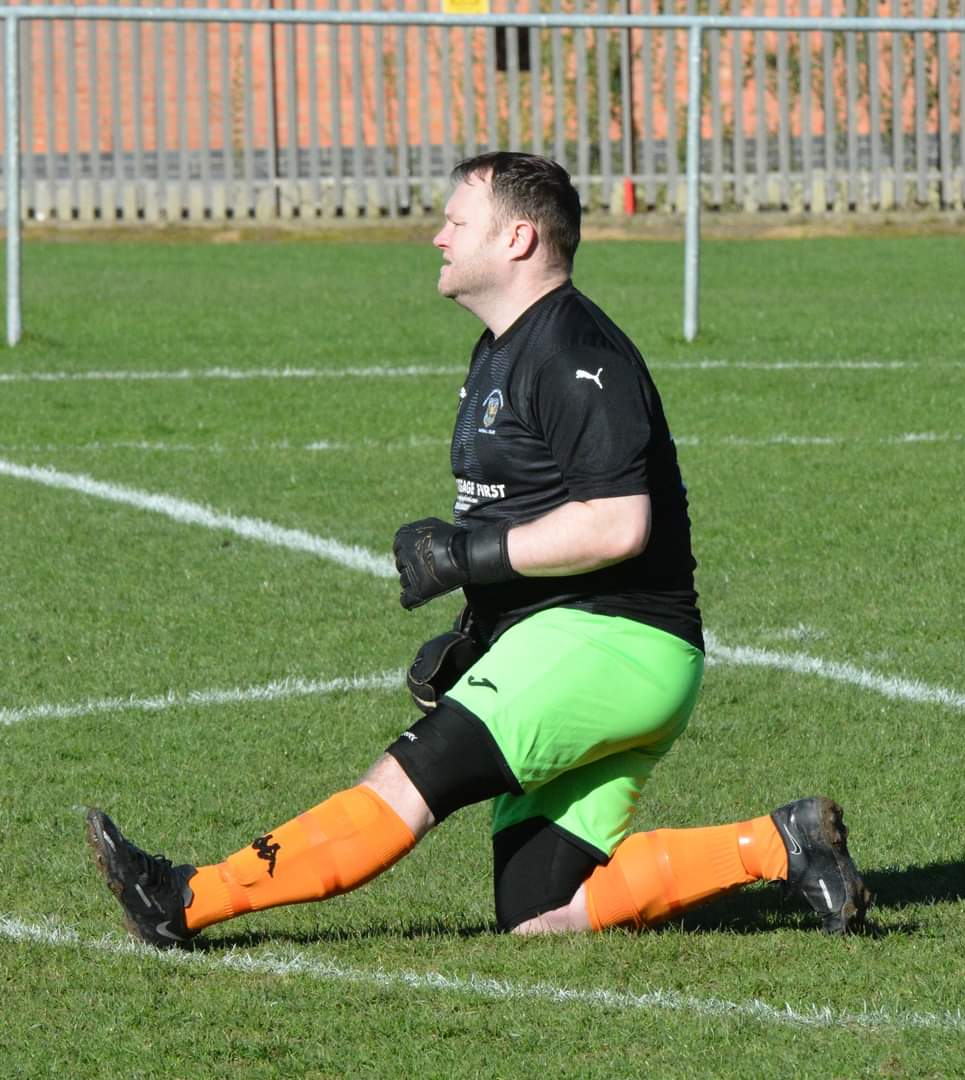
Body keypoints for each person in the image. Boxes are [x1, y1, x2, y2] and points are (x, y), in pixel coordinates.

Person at [86, 152, 870, 948]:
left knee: (401, 787)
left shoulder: (575, 352)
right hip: (587, 642)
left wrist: (467, 557)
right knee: (539, 913)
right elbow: (536, 513)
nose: (439, 237)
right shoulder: (503, 347)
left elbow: (617, 524)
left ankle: (184, 899)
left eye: (457, 222)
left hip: (614, 644)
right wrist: (480, 633)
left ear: (518, 238)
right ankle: (782, 844)